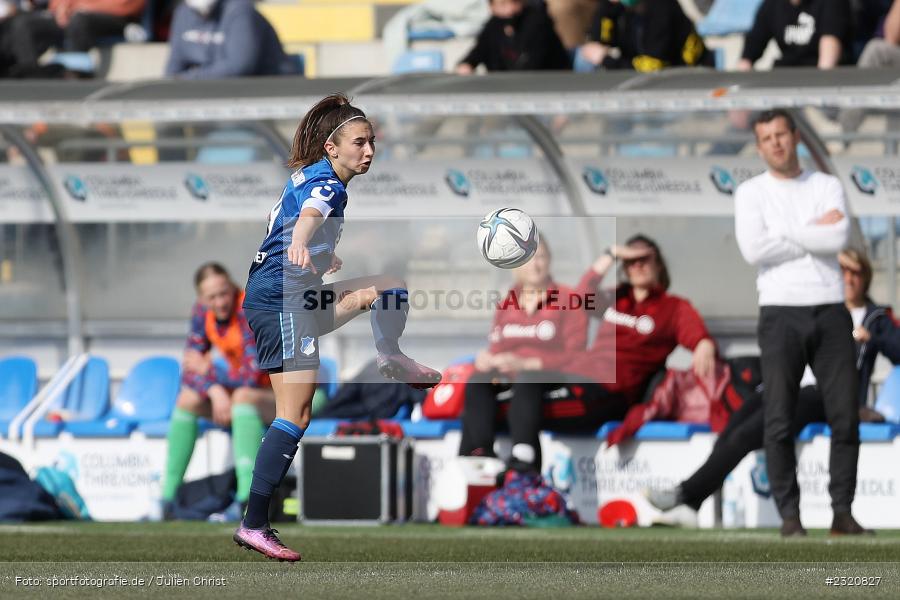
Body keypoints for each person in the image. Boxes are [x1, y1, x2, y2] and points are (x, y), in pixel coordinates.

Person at [233, 94, 441, 561]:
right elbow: (309, 215)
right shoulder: (329, 184)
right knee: (296, 414)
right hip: (284, 299)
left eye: (372, 142)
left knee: (387, 287)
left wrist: (320, 254)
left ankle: (391, 354)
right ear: (332, 147)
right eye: (360, 143)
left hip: (287, 293)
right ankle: (254, 523)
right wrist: (305, 244)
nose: (369, 151)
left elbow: (289, 221)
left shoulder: (309, 176)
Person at [648, 249, 894, 531]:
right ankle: (692, 504)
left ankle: (685, 493)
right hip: (794, 386)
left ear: (866, 278)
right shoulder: (813, 307)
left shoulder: (875, 318)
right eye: (843, 271)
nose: (848, 278)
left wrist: (874, 338)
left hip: (824, 396)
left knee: (752, 432)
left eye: (855, 272)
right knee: (735, 424)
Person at [733, 108, 869, 537]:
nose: (775, 142)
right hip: (779, 311)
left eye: (781, 134)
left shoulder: (826, 184)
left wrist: (784, 232)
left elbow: (838, 239)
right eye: (766, 137)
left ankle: (842, 514)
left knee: (845, 416)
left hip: (830, 309)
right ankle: (790, 518)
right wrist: (810, 229)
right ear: (759, 147)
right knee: (778, 417)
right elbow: (754, 250)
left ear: (795, 137)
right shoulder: (751, 192)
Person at [457, 239, 593, 472]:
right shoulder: (507, 302)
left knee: (529, 378)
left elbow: (577, 355)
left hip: (549, 376)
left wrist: (530, 362)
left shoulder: (568, 299)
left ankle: (524, 454)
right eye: (528, 258)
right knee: (477, 380)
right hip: (509, 375)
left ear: (549, 260)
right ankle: (481, 454)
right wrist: (487, 359)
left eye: (540, 257)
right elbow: (497, 346)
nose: (535, 265)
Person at [161, 263, 274, 521]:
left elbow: (253, 373)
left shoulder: (249, 308)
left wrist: (214, 377)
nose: (220, 302)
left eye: (224, 293)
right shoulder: (202, 312)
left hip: (288, 393)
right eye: (212, 297)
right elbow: (189, 369)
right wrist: (213, 389)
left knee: (242, 398)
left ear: (232, 287)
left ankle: (247, 502)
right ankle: (167, 499)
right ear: (202, 299)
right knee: (187, 400)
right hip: (241, 393)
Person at [571, 234, 718, 407]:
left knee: (536, 406)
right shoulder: (614, 297)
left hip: (612, 391)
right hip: (581, 375)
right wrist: (612, 253)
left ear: (658, 265)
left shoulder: (673, 307)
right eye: (631, 260)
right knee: (532, 388)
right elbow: (578, 299)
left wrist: (705, 344)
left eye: (644, 259)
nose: (638, 265)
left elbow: (698, 337)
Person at [165, 0, 298, 79]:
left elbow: (240, 67)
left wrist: (190, 78)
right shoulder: (183, 13)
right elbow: (173, 71)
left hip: (261, 95)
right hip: (214, 95)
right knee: (165, 125)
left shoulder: (241, 11)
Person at [4, 0, 145, 74]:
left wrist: (82, 7)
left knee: (79, 21)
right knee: (25, 25)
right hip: (73, 16)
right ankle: (31, 75)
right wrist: (61, 8)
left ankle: (74, 77)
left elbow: (127, 5)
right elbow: (58, 3)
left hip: (115, 19)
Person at [575, 0, 713, 72]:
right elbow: (601, 41)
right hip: (642, 77)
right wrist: (607, 6)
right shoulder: (623, 8)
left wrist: (605, 59)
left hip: (679, 80)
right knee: (584, 58)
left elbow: (654, 67)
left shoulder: (662, 8)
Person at [455, 0, 571, 74]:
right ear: (492, 7)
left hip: (543, 88)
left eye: (514, 2)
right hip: (506, 92)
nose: (510, 10)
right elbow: (478, 52)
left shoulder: (537, 22)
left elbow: (533, 64)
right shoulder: (493, 26)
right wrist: (467, 64)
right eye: (503, 4)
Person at [738, 0, 853, 70]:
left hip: (817, 77)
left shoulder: (831, 3)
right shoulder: (772, 5)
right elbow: (752, 46)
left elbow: (828, 55)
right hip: (786, 76)